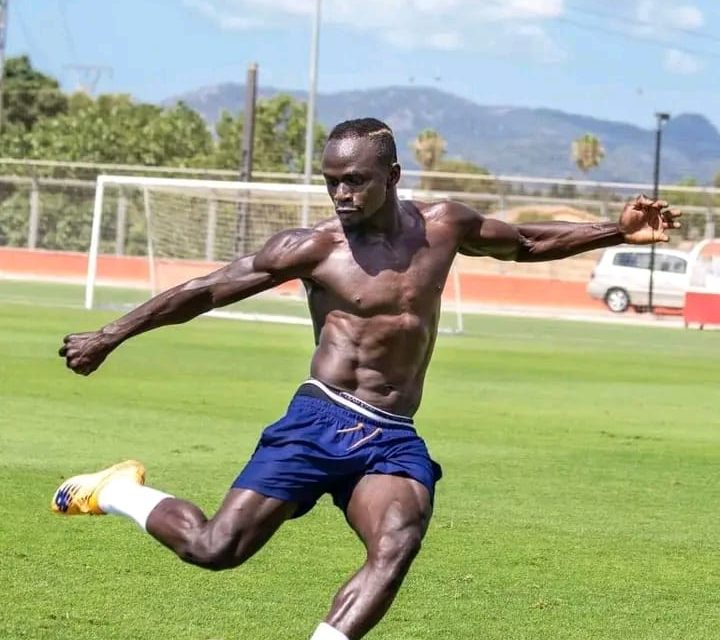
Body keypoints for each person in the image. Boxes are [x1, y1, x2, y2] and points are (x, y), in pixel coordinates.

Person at [53, 117, 681, 640]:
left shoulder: (443, 227)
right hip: (320, 418)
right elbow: (206, 290)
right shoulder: (314, 248)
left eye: (355, 180)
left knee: (398, 538)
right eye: (332, 182)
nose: (342, 194)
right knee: (217, 548)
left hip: (392, 433)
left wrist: (618, 231)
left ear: (393, 176)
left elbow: (525, 242)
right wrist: (109, 335)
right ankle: (115, 491)